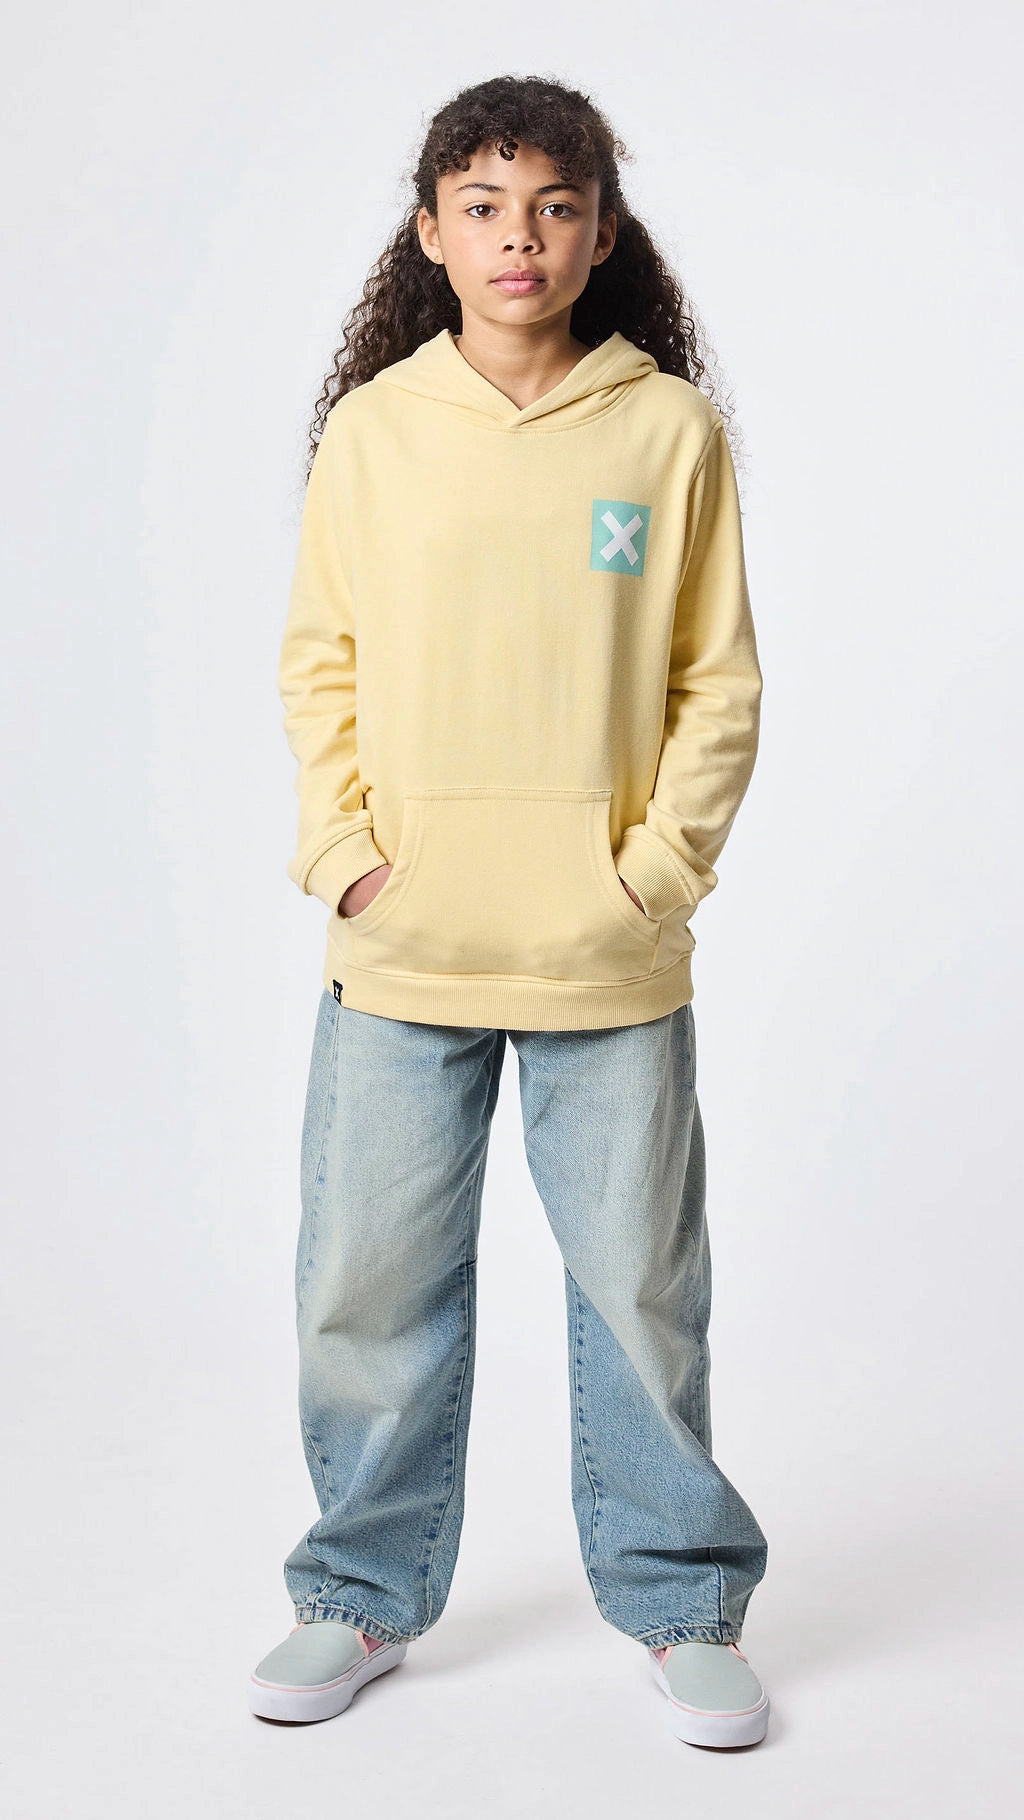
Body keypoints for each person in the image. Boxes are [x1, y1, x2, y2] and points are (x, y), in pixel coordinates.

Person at [248, 73, 771, 1751]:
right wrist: (345, 857)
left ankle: (681, 1602)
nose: (519, 236)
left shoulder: (665, 432)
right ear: (431, 232)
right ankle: (357, 1592)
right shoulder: (376, 431)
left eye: (555, 205)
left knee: (641, 1297)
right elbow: (320, 665)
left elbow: (716, 684)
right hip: (403, 944)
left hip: (606, 957)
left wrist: (652, 877)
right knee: (369, 1289)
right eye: (482, 206)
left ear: (603, 233)